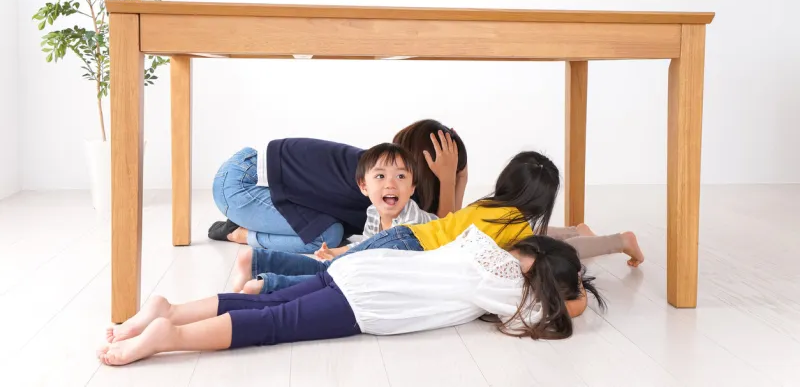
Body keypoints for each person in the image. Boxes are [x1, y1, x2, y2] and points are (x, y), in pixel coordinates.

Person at [99, 227, 606, 366]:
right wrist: (576, 292)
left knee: (268, 303)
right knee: (275, 325)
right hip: (369, 301)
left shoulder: (479, 245)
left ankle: (171, 310)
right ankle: (168, 337)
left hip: (362, 268)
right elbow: (559, 313)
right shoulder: (509, 287)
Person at [232, 150, 644, 294]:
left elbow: (540, 241)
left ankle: (260, 266)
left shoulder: (489, 206)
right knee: (337, 274)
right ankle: (266, 280)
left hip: (409, 237)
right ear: (540, 201)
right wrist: (614, 242)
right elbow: (549, 249)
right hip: (412, 247)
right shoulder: (514, 225)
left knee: (337, 267)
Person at [207, 119, 467, 254]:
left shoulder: (387, 176)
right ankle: (240, 233)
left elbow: (446, 226)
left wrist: (459, 178)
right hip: (242, 184)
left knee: (335, 234)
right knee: (327, 236)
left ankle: (253, 221)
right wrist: (448, 180)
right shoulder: (382, 180)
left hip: (252, 179)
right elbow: (441, 232)